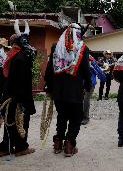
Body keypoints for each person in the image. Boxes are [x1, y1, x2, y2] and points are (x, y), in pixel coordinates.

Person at [44, 23, 92, 157]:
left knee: (62, 116)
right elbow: (86, 71)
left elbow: (49, 69)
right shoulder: (82, 48)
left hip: (58, 91)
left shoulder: (55, 47)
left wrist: (49, 85)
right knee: (76, 117)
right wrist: (88, 85)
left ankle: (58, 143)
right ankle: (69, 145)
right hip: (75, 91)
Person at [0, 20, 36, 157]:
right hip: (18, 97)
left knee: (10, 122)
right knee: (18, 122)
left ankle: (5, 147)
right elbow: (22, 81)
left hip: (9, 94)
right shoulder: (21, 57)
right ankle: (20, 147)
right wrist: (21, 100)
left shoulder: (12, 55)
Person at [81, 56, 106, 125]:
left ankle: (86, 117)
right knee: (79, 99)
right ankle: (80, 116)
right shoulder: (76, 57)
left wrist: (103, 78)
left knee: (86, 99)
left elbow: (98, 70)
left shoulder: (90, 60)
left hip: (90, 83)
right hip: (80, 83)